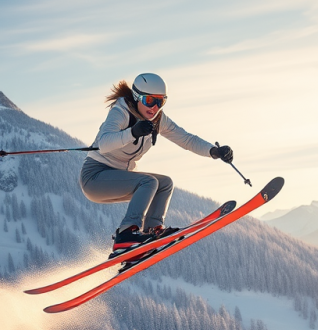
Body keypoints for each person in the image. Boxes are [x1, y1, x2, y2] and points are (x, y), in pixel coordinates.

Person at [79, 72, 234, 257]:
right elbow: (103, 144)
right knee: (148, 182)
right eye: (149, 100)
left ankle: (153, 231)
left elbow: (186, 139)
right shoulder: (120, 112)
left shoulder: (159, 120)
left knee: (165, 183)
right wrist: (133, 132)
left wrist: (213, 151)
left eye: (160, 102)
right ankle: (126, 236)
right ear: (137, 97)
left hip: (119, 178)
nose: (154, 107)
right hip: (95, 177)